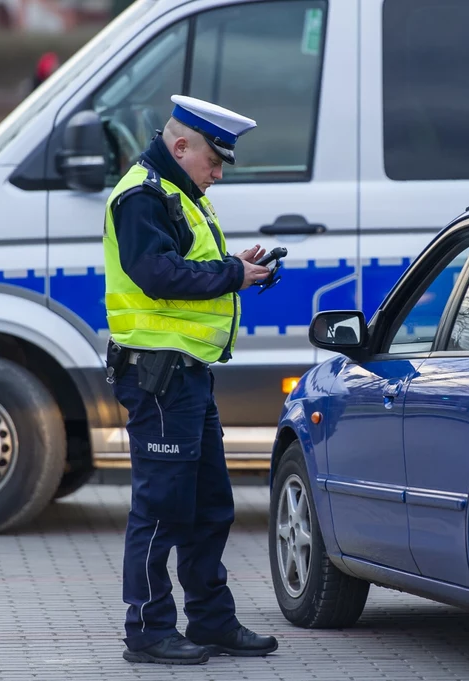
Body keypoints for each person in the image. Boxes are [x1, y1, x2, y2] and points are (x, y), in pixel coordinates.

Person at [101, 94, 276, 665]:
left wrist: (239, 269)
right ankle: (148, 631)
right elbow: (156, 274)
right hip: (159, 380)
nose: (219, 172)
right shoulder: (143, 195)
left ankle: (210, 621)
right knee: (161, 510)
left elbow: (186, 265)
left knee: (209, 506)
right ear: (180, 146)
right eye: (215, 159)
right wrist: (233, 273)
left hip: (186, 376)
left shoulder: (178, 193)